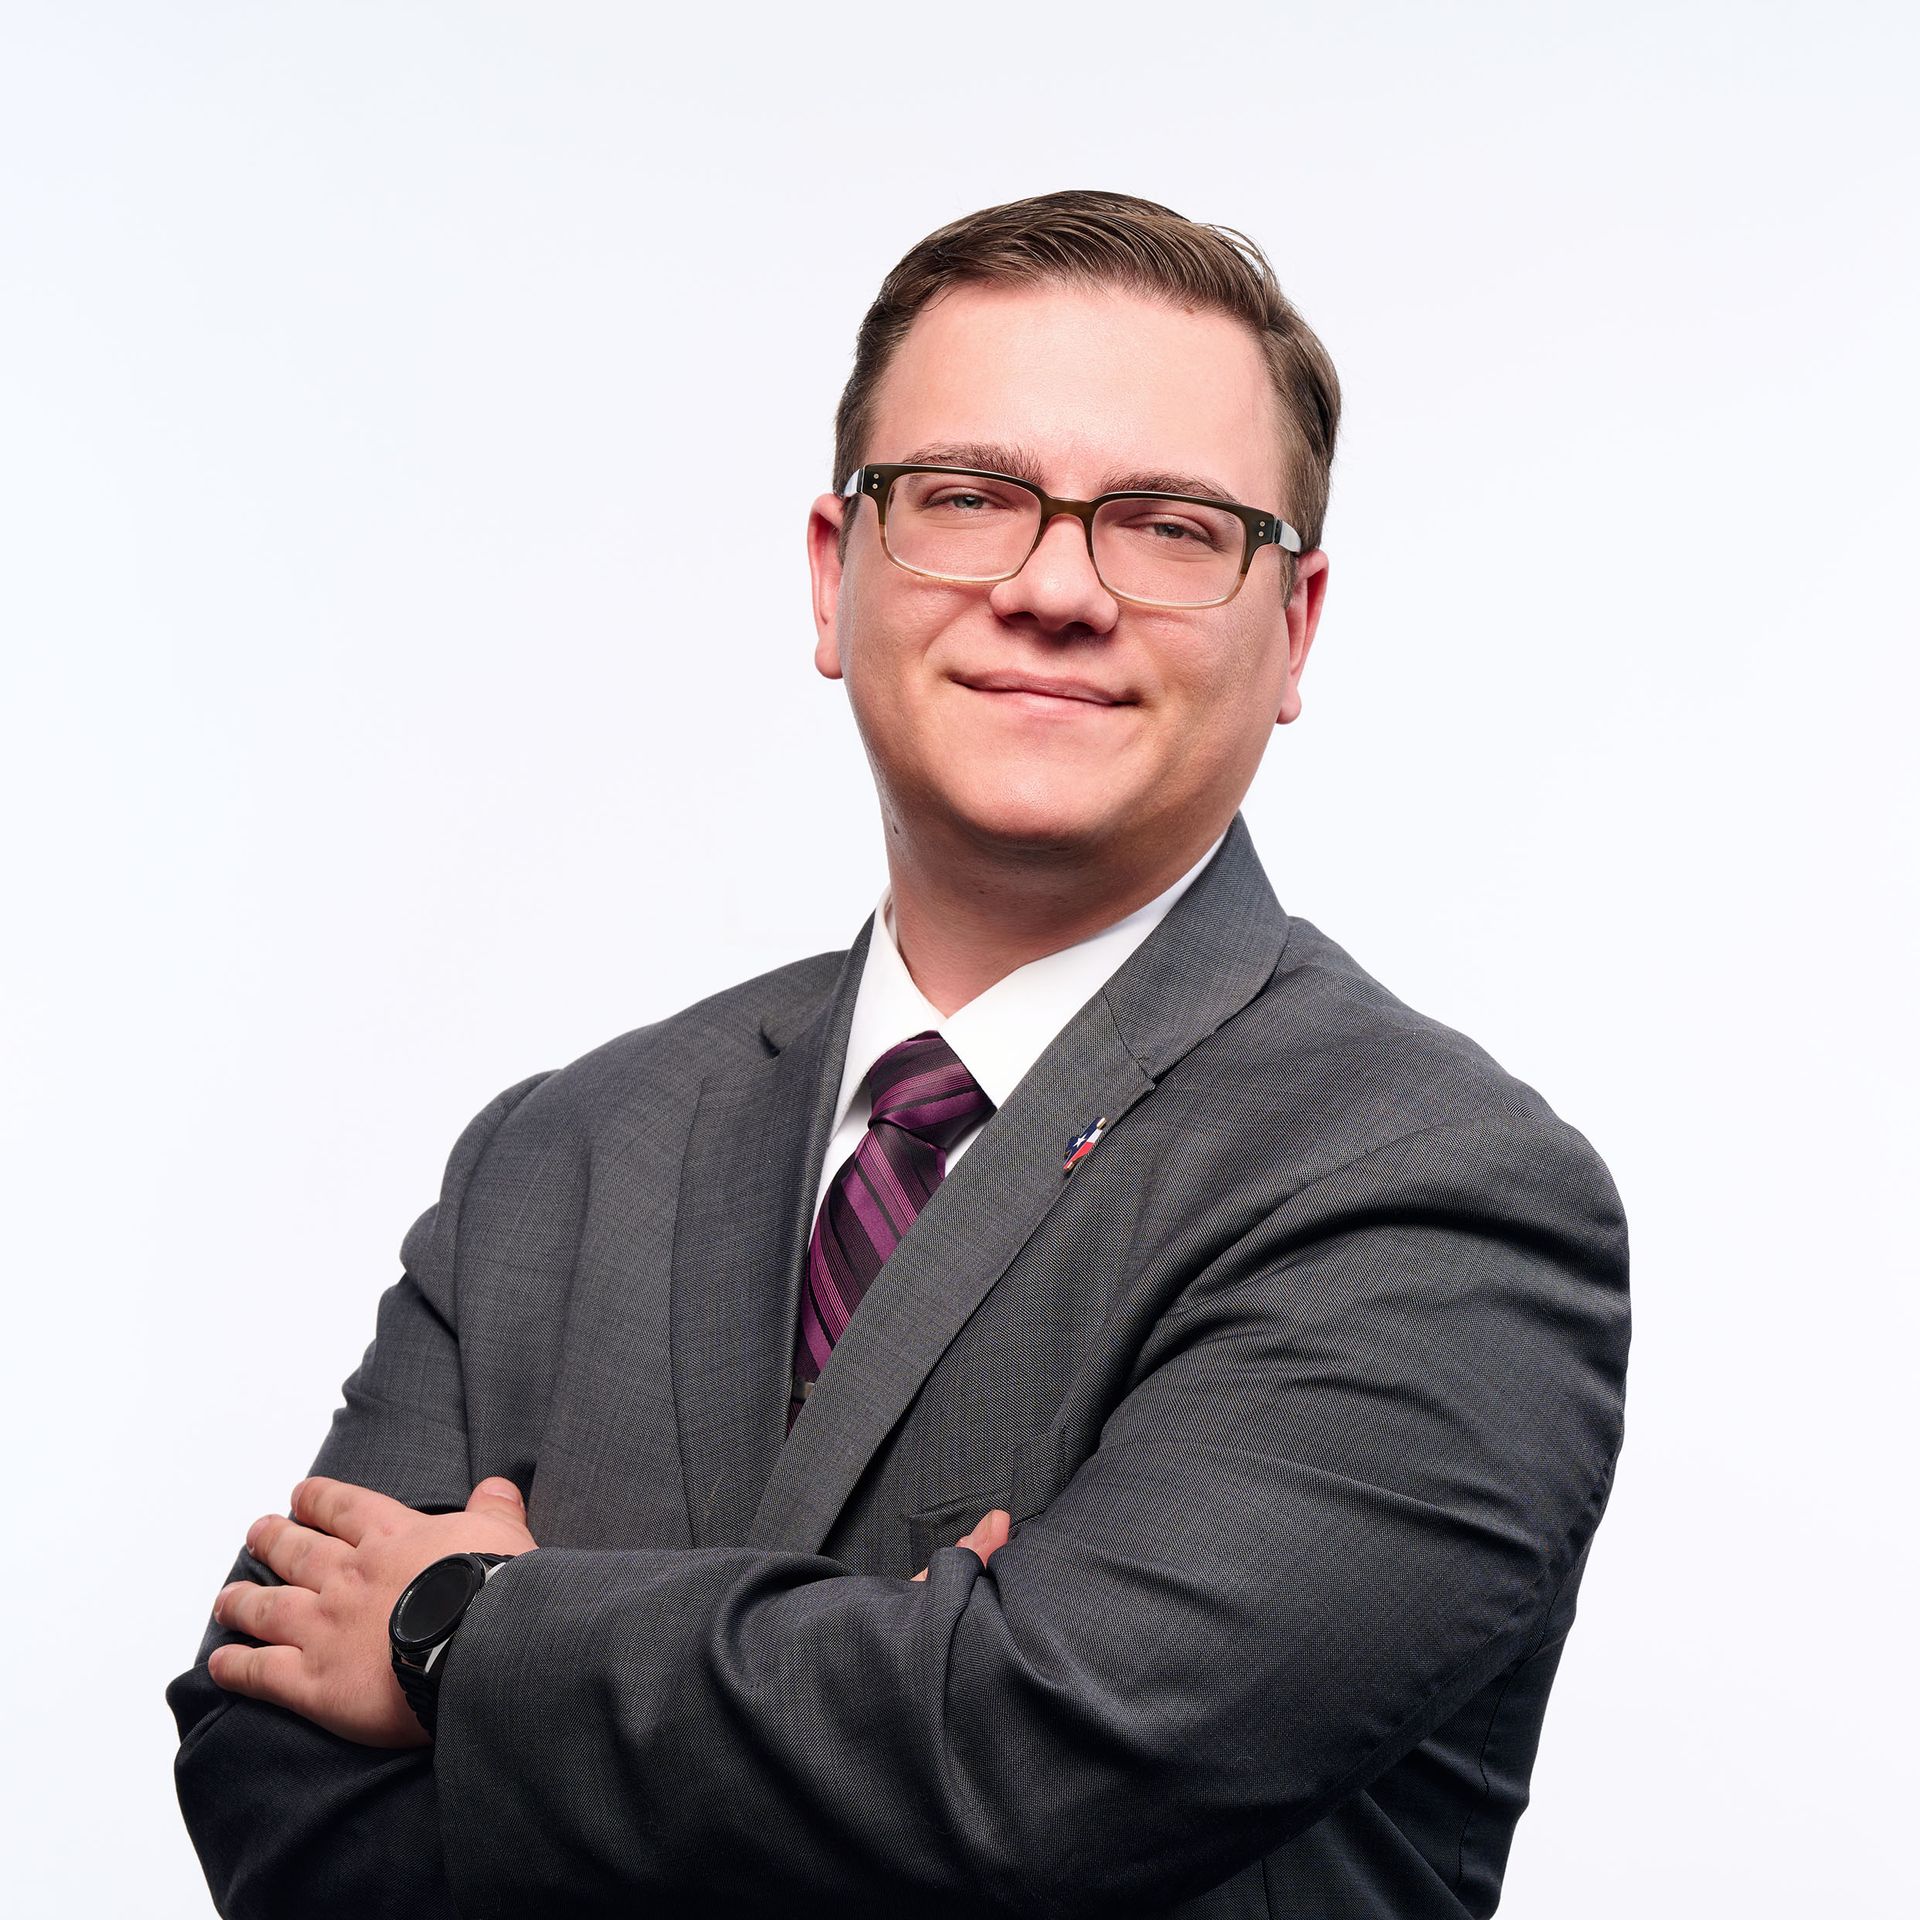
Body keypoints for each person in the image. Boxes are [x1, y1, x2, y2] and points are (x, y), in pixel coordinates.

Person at [166, 188, 1630, 1919]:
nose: (1056, 590)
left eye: (1169, 525)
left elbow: (1029, 1759)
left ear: (1293, 628)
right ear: (831, 572)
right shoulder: (562, 1156)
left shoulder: (1435, 1192)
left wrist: (457, 1629)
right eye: (969, 500)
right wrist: (889, 1677)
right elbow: (272, 1769)